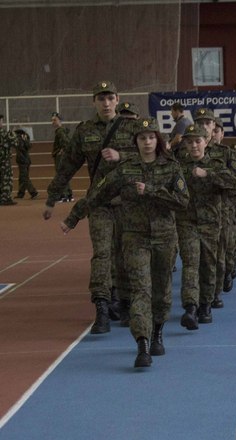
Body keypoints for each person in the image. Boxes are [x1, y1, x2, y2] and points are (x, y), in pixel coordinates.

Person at [87, 118, 189, 368]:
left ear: (158, 140)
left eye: (151, 137)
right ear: (136, 142)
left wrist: (152, 190)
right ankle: (142, 343)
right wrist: (72, 217)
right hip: (135, 238)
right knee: (140, 289)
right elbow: (98, 193)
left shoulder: (171, 167)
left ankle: (157, 333)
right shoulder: (126, 169)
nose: (147, 142)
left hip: (164, 237)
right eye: (142, 138)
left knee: (161, 290)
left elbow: (183, 201)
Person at [43, 80, 138, 334]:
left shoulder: (133, 127)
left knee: (126, 253)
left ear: (117, 99)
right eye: (101, 99)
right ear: (93, 102)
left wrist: (121, 156)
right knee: (102, 254)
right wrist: (52, 198)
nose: (106, 103)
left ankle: (125, 302)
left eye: (110, 98)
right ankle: (102, 308)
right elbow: (67, 165)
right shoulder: (84, 131)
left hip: (129, 202)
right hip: (100, 203)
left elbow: (153, 156)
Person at [176, 124, 236, 329]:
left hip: (210, 224)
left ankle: (205, 304)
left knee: (208, 264)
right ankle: (190, 307)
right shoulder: (178, 166)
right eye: (189, 142)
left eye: (198, 141)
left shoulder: (216, 165)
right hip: (186, 222)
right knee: (190, 263)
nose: (194, 145)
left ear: (206, 142)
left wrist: (208, 175)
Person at [51, 112, 74, 202]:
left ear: (60, 120)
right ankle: (68, 194)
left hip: (60, 157)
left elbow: (66, 142)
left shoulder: (60, 131)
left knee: (61, 175)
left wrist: (62, 151)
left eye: (55, 120)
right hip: (62, 156)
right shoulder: (62, 131)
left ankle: (64, 195)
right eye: (52, 120)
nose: (53, 122)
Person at [14, 128, 39, 200]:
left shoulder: (20, 139)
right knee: (22, 178)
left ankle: (33, 192)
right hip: (26, 160)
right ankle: (20, 194)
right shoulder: (25, 138)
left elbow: (22, 147)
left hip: (22, 160)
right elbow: (29, 146)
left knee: (24, 178)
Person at [0, 114, 18, 206]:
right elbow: (15, 143)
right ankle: (5, 198)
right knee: (6, 179)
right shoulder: (4, 133)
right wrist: (13, 134)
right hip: (4, 161)